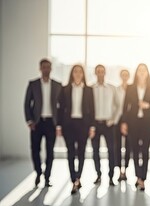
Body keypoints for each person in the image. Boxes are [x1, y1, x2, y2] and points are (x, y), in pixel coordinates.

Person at [120, 64, 150, 191]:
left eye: (144, 70)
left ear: (147, 73)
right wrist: (124, 122)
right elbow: (125, 106)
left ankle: (143, 177)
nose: (142, 72)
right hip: (133, 122)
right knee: (135, 150)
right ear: (136, 73)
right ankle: (138, 176)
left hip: (147, 122)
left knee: (145, 150)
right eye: (140, 70)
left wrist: (148, 105)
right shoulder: (131, 88)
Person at [57, 64, 95, 194]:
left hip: (83, 124)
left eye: (80, 71)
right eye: (75, 71)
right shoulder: (65, 89)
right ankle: (73, 179)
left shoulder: (89, 90)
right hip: (69, 124)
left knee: (81, 153)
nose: (78, 74)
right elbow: (60, 109)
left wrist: (92, 126)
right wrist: (59, 126)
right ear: (72, 74)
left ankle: (79, 177)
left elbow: (92, 109)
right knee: (71, 153)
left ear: (83, 74)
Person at [24, 59, 62, 187]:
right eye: (44, 67)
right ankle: (38, 173)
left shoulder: (57, 85)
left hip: (51, 123)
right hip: (37, 123)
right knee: (35, 150)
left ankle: (47, 177)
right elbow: (27, 104)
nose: (46, 69)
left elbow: (62, 106)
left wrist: (59, 124)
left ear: (51, 69)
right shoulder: (33, 84)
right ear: (40, 68)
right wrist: (29, 121)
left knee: (50, 151)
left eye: (48, 67)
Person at [91, 65, 119, 186]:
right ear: (95, 73)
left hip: (109, 124)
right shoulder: (90, 88)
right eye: (98, 71)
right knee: (95, 151)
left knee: (111, 151)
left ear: (105, 73)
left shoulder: (112, 88)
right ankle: (98, 175)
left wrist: (113, 120)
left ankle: (111, 176)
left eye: (102, 71)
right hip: (95, 125)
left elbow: (118, 106)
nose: (100, 73)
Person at [115, 69, 131, 182]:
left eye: (126, 75)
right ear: (120, 76)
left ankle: (126, 169)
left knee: (129, 146)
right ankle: (119, 170)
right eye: (123, 75)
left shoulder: (132, 90)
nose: (124, 76)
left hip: (130, 120)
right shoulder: (116, 89)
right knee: (117, 145)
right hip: (118, 119)